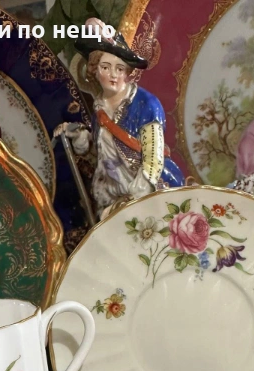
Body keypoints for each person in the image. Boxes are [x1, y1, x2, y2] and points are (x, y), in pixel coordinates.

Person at [54, 18, 184, 220]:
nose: (113, 75)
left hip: (145, 191)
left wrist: (137, 195)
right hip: (112, 195)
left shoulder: (146, 104)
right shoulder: (100, 109)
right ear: (94, 70)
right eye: (106, 67)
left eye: (119, 68)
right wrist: (80, 137)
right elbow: (101, 155)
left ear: (127, 72)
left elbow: (153, 156)